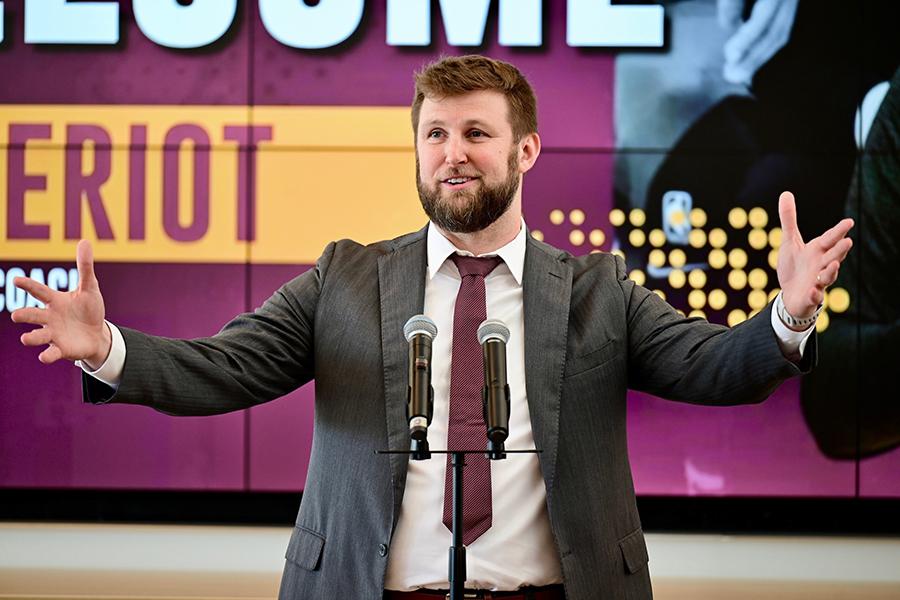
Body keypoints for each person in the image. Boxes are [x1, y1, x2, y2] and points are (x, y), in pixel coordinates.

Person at [11, 55, 853, 600]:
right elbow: (226, 368)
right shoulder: (344, 278)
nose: (453, 152)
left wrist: (787, 316)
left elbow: (713, 367)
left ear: (525, 152)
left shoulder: (598, 289)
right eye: (435, 134)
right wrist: (111, 348)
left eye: (477, 134)